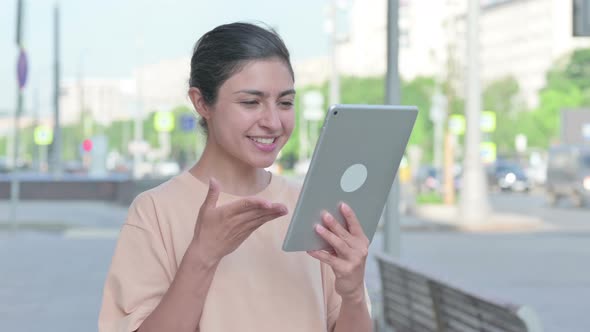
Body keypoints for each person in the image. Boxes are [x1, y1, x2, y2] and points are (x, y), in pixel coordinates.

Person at [98, 22, 373, 332]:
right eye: (250, 102)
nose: (272, 121)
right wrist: (202, 256)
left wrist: (353, 296)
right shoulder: (154, 213)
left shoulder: (313, 209)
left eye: (285, 102)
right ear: (201, 102)